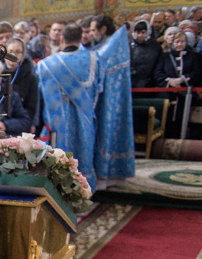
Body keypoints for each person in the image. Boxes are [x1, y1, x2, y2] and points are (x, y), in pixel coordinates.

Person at [38, 24, 135, 190]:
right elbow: (100, 89)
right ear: (79, 39)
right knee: (83, 156)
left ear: (62, 39)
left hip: (56, 124)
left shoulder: (44, 65)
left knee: (58, 157)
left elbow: (41, 97)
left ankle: (56, 189)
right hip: (85, 121)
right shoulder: (93, 59)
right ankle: (84, 188)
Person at [2, 38, 40, 132]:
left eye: (18, 52)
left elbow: (31, 107)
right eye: (10, 51)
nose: (13, 55)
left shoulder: (30, 78)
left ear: (23, 55)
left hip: (20, 125)